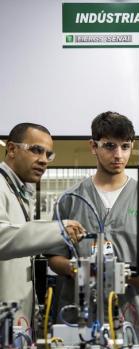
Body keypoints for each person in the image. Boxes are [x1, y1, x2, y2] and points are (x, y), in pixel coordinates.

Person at [48, 111, 139, 343]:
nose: (118, 155)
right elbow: (55, 259)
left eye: (125, 146)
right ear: (93, 146)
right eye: (109, 146)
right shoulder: (70, 199)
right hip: (79, 316)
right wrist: (84, 271)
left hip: (133, 317)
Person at [0, 123, 85, 328]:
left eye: (48, 154)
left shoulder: (21, 191)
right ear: (11, 149)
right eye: (36, 150)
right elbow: (2, 238)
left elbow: (22, 237)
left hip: (16, 316)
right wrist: (58, 230)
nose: (44, 160)